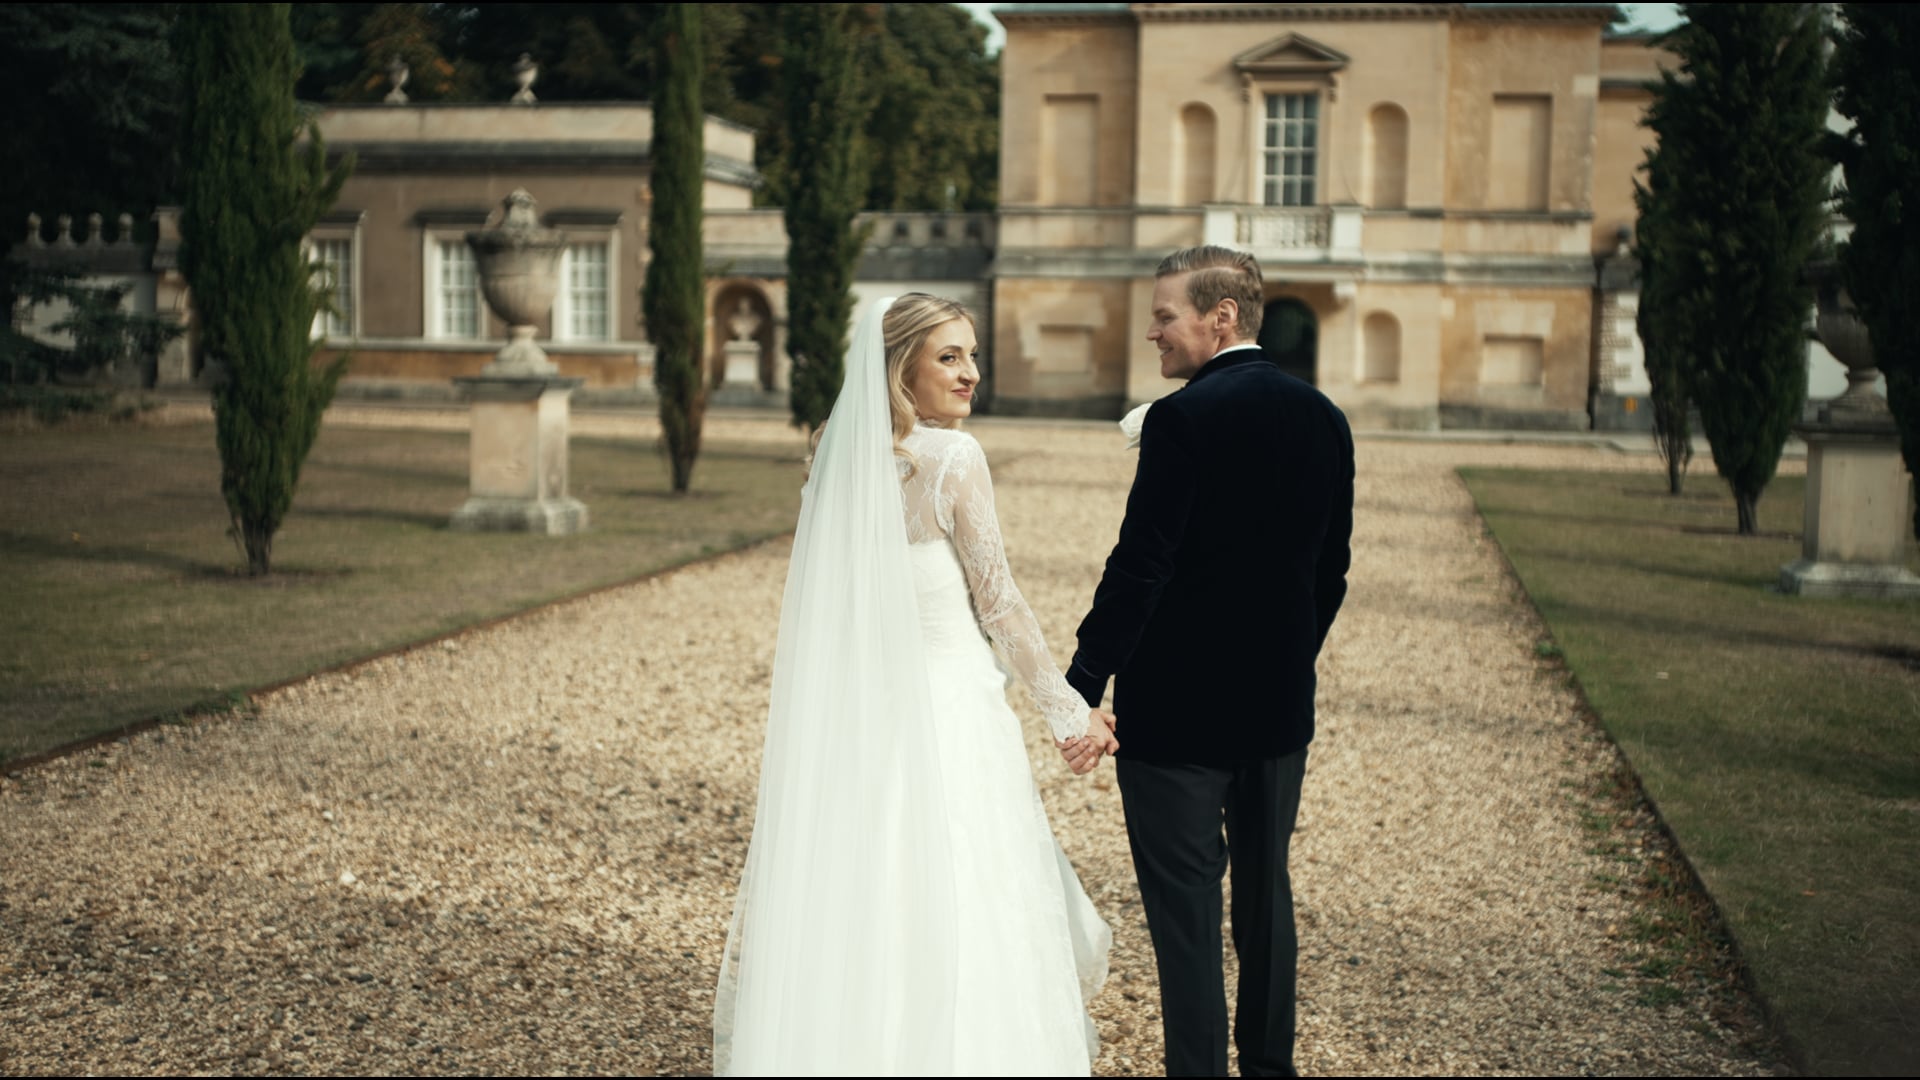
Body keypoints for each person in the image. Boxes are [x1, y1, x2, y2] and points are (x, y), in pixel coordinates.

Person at [714, 294, 1121, 1075]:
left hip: (863, 715)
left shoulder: (834, 445)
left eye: (970, 355)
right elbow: (1000, 602)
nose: (971, 372)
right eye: (949, 357)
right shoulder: (952, 458)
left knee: (873, 882)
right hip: (949, 711)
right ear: (901, 367)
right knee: (964, 886)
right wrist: (1070, 716)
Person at [1064, 246, 1355, 1077]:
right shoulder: (1325, 417)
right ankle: (1270, 1068)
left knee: (1187, 918)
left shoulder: (1183, 419)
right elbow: (1329, 570)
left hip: (1175, 720)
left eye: (1165, 315)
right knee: (1266, 899)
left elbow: (1141, 566)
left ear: (1220, 317)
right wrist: (1289, 660)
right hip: (1276, 712)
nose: (1152, 331)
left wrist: (1078, 683)